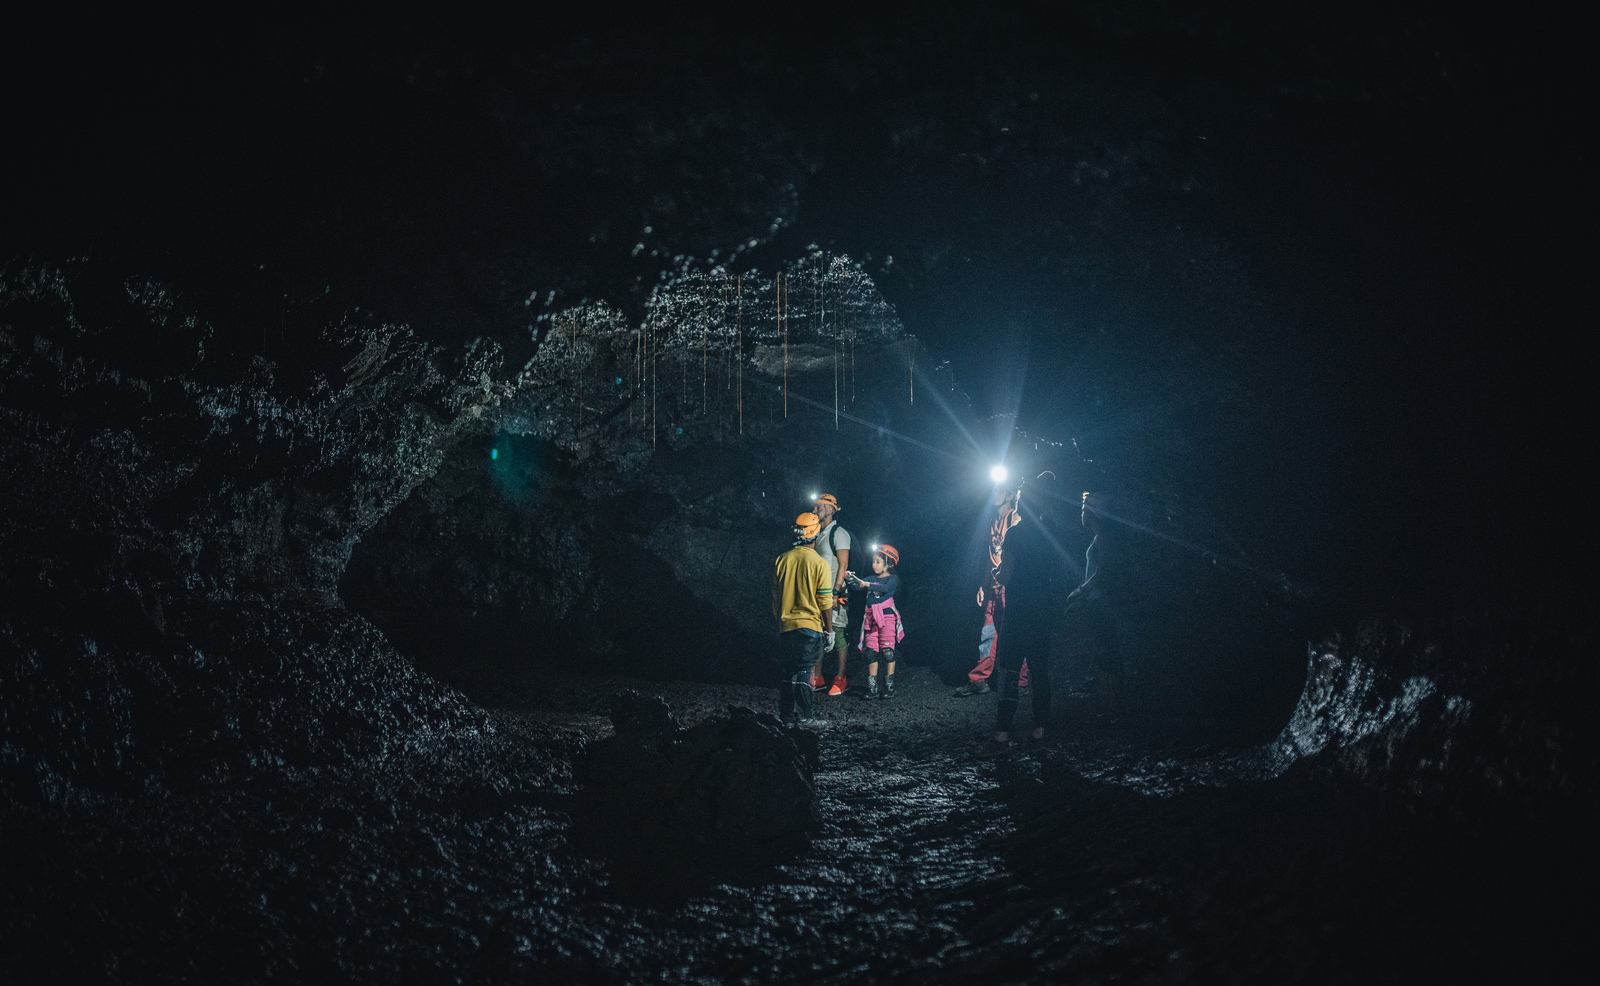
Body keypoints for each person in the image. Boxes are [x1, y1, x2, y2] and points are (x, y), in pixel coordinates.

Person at [992, 470, 1072, 747]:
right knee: (1039, 668)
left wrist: (997, 575)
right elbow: (1058, 571)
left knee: (1010, 667)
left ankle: (1003, 728)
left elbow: (1007, 574)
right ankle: (1041, 725)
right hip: (1041, 606)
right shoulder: (1050, 533)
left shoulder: (1014, 534)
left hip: (1017, 608)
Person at [953, 482, 1031, 697]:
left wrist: (1009, 580)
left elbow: (1017, 556)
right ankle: (979, 679)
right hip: (993, 587)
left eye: (998, 490)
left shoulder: (1015, 519)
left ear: (1008, 494)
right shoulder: (991, 522)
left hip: (1009, 585)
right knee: (988, 633)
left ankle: (1020, 681)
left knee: (1013, 632)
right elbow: (990, 556)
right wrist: (983, 583)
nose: (993, 493)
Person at [772, 512, 835, 726]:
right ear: (815, 534)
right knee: (806, 669)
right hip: (810, 626)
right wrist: (830, 630)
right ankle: (806, 717)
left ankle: (786, 716)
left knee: (788, 670)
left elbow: (775, 597)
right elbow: (825, 602)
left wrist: (779, 621)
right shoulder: (820, 564)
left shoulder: (782, 560)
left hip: (786, 625)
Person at [1067, 490, 1125, 718]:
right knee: (1105, 652)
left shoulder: (1104, 537)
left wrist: (1081, 590)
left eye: (1084, 509)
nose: (1081, 513)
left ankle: (1114, 708)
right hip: (1098, 601)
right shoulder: (1098, 537)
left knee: (1107, 652)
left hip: (1103, 602)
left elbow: (1103, 570)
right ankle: (1111, 705)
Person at [844, 543, 904, 700]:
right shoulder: (870, 578)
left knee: (888, 652)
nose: (874, 565)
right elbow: (858, 586)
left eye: (878, 561)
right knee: (870, 653)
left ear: (888, 563)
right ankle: (873, 688)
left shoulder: (893, 579)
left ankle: (889, 687)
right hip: (870, 619)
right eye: (873, 561)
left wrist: (867, 584)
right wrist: (850, 579)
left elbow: (885, 589)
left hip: (887, 619)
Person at [809, 492, 853, 696]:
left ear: (830, 509)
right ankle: (817, 677)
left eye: (819, 507)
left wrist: (836, 592)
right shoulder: (816, 533)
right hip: (816, 593)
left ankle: (841, 678)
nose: (814, 510)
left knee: (838, 633)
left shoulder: (839, 533)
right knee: (818, 633)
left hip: (833, 593)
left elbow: (843, 565)